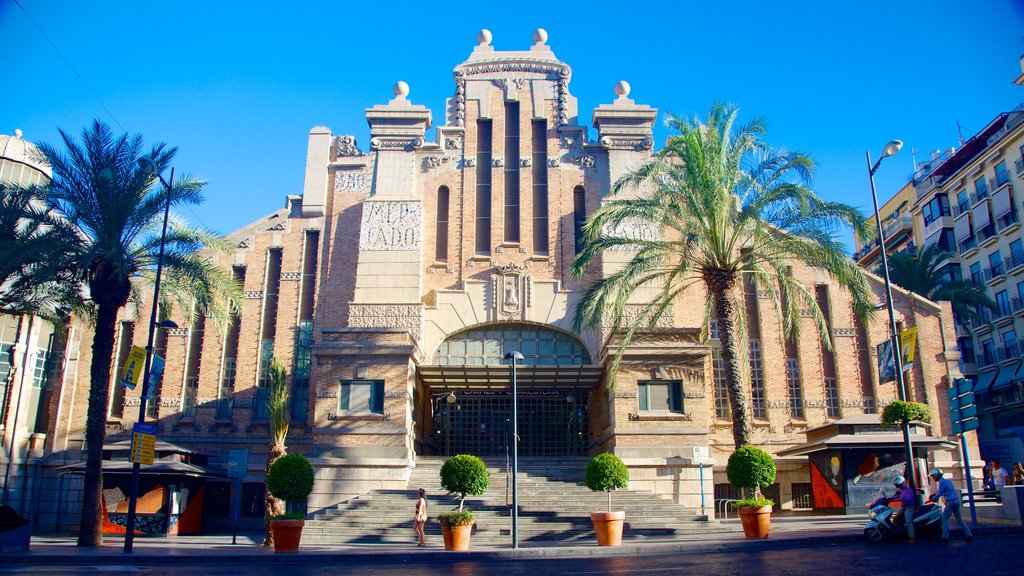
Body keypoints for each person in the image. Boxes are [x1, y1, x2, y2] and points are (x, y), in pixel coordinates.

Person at [928, 468, 973, 542]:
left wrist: (934, 498)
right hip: (956, 501)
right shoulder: (948, 481)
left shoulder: (942, 482)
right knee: (960, 519)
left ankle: (945, 537)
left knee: (944, 518)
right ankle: (969, 535)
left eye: (933, 476)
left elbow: (940, 492)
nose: (933, 478)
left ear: (936, 475)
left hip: (950, 502)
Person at [890, 475, 917, 544]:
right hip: (903, 507)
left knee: (909, 522)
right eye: (897, 485)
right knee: (895, 519)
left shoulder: (908, 490)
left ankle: (912, 538)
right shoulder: (901, 491)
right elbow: (897, 496)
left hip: (909, 507)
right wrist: (891, 498)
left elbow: (908, 498)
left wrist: (900, 499)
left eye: (898, 485)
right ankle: (898, 534)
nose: (898, 486)